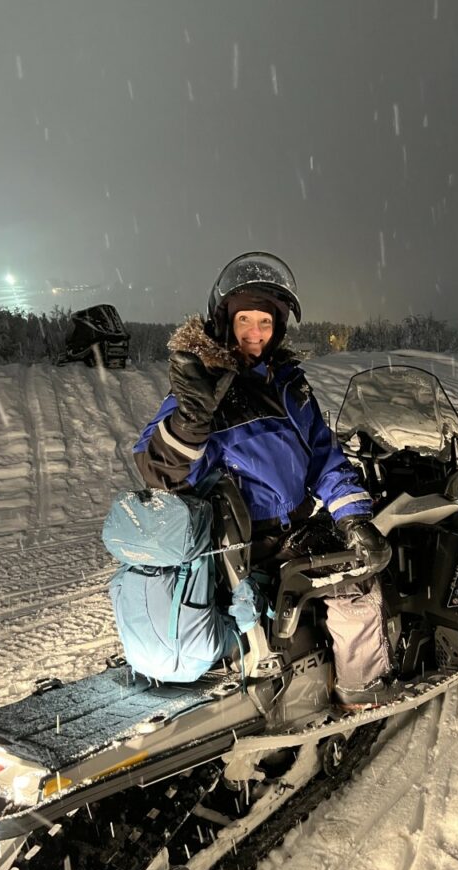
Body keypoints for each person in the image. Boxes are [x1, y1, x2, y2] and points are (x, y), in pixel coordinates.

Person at [133, 252, 398, 708]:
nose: (254, 334)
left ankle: (335, 673)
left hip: (290, 530)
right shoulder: (205, 386)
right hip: (243, 544)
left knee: (357, 559)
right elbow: (158, 470)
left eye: (264, 323)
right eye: (244, 321)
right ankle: (362, 695)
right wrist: (191, 421)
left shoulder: (287, 384)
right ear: (224, 321)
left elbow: (323, 456)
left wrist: (352, 516)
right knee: (356, 587)